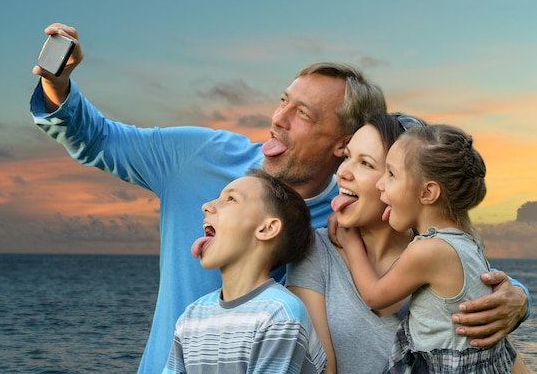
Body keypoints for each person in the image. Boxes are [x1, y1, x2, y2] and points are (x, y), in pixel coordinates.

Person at [30, 23, 530, 374]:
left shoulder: (350, 220)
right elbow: (94, 138)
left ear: (344, 145)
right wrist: (58, 81)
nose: (279, 119)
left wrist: (513, 299)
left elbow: (436, 216)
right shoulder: (198, 158)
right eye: (283, 101)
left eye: (305, 115)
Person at [286, 114, 530, 374]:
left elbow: (493, 353)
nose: (342, 172)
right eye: (346, 157)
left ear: (424, 190)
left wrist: (519, 300)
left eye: (367, 164)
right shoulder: (316, 252)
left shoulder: (432, 254)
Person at [162, 169, 328, 374]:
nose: (206, 206)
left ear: (267, 229)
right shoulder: (192, 316)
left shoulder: (281, 314)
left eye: (231, 199)